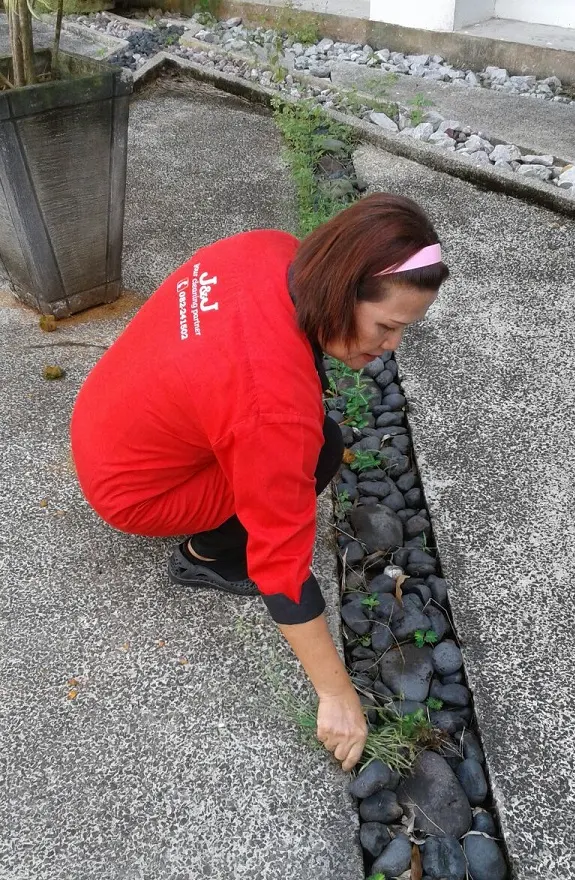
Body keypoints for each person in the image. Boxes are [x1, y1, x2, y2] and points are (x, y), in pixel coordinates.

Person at [71, 193, 449, 773]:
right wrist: (336, 695)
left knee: (303, 436)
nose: (390, 348)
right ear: (341, 289)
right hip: (134, 489)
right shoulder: (273, 409)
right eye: (387, 326)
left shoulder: (271, 250)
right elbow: (281, 565)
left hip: (104, 419)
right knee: (318, 450)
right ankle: (205, 556)